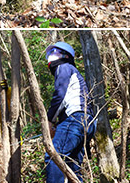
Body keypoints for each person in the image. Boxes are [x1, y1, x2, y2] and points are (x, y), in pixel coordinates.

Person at [44, 42, 96, 183]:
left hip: (76, 119)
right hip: (85, 121)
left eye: (55, 51)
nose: (51, 55)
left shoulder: (64, 67)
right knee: (73, 166)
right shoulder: (72, 71)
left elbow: (60, 95)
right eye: (50, 53)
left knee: (54, 157)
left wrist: (49, 120)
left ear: (66, 56)